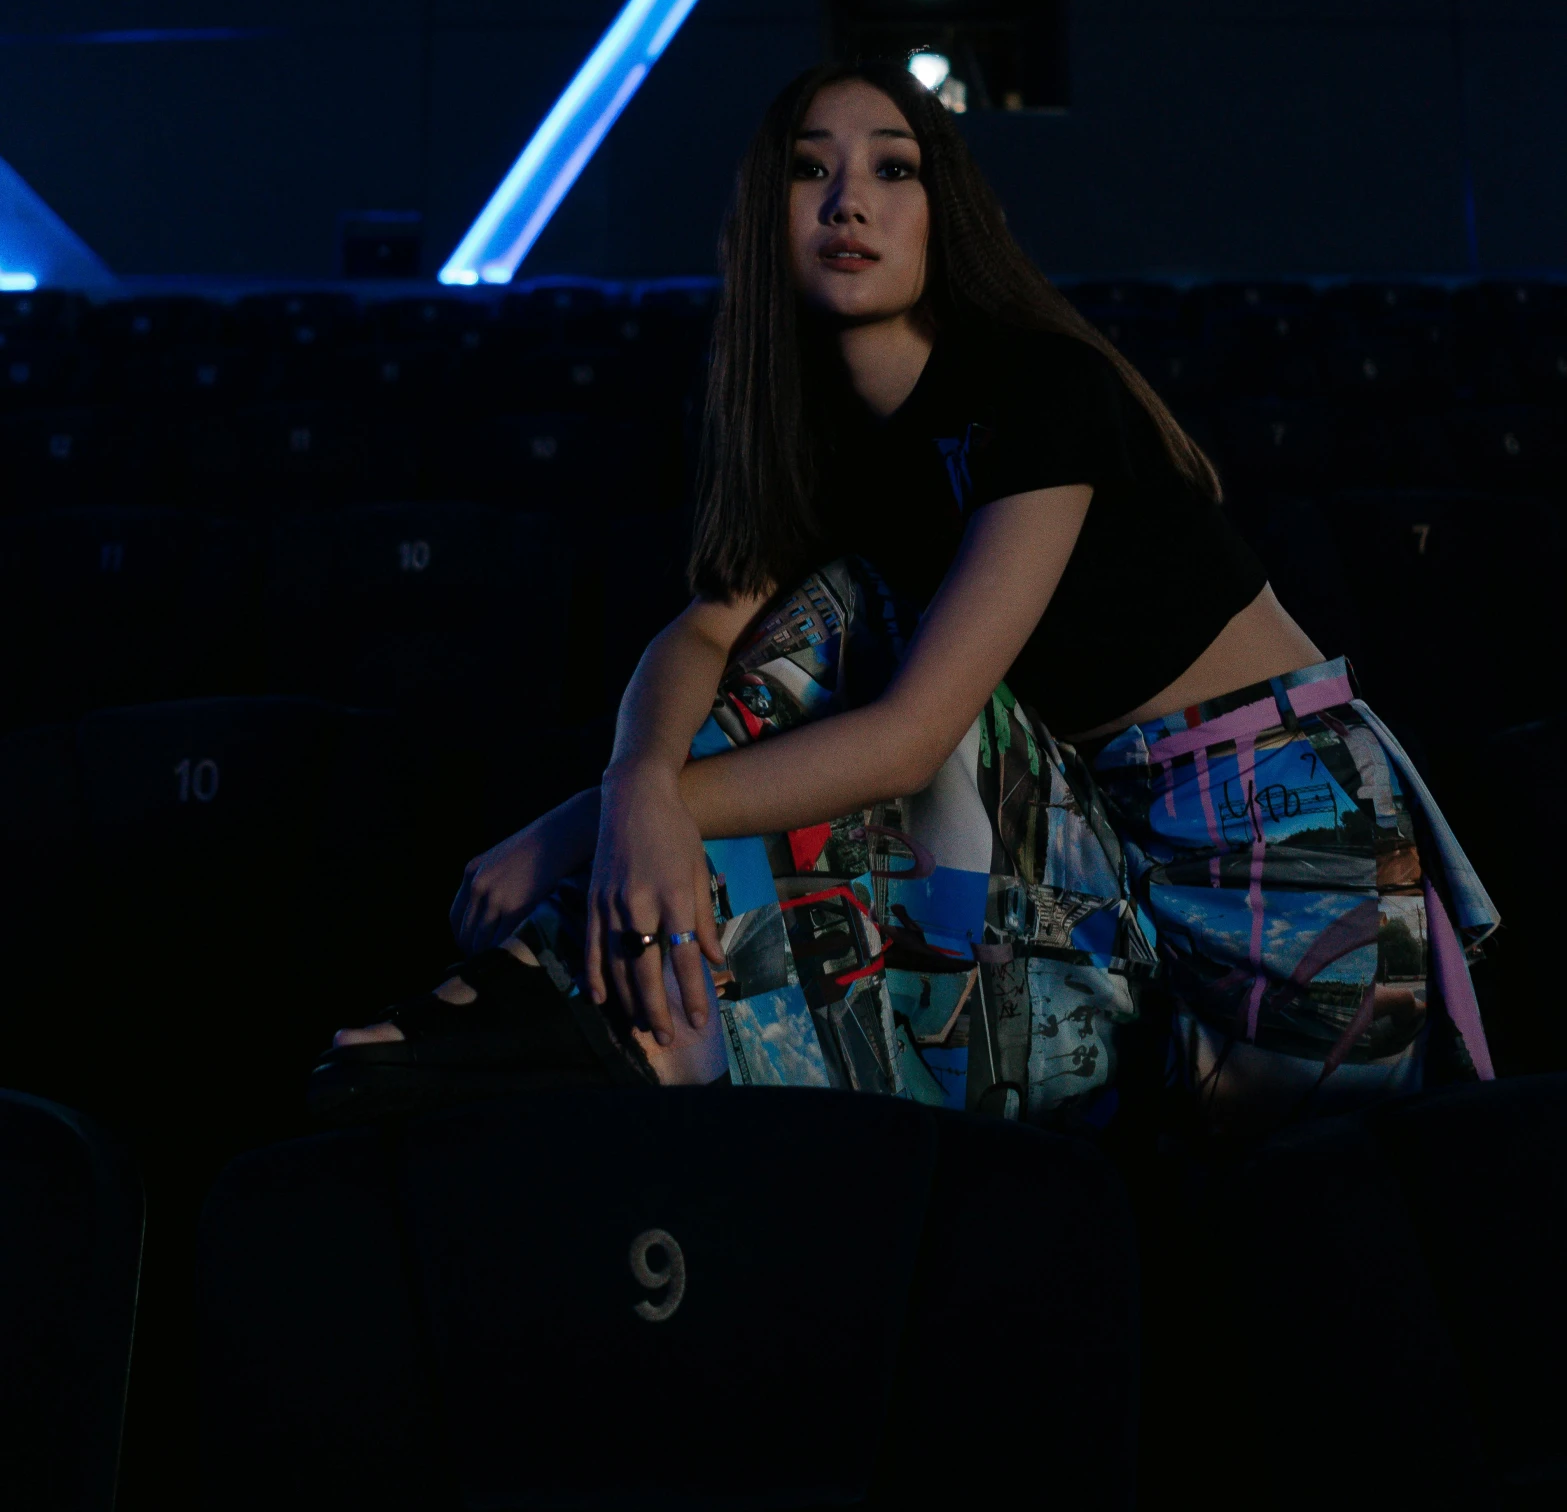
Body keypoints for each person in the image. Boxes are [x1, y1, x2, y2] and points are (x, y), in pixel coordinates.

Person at [311, 65, 1497, 1142]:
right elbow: (709, 626)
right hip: (1115, 862)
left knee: (854, 631)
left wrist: (607, 822)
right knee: (829, 611)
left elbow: (913, 739)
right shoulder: (836, 455)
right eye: (809, 168)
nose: (848, 200)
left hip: (1296, 904)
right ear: (763, 218)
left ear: (946, 215)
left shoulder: (1040, 386)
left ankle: (598, 1000)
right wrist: (628, 787)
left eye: (892, 166)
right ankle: (627, 1012)